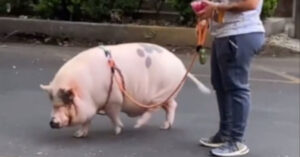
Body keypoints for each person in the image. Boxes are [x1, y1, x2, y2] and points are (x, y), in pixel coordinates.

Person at [196, 0, 265, 156]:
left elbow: (250, 4)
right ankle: (225, 134)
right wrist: (208, 14)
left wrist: (217, 7)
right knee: (220, 84)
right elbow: (225, 11)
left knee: (236, 87)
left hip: (240, 33)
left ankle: (236, 141)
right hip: (225, 34)